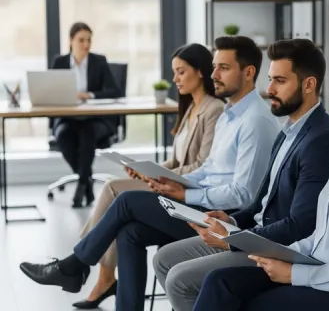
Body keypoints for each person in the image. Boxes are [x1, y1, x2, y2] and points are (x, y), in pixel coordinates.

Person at [19, 35, 280, 311]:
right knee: (130, 232)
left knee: (127, 201)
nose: (213, 74)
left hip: (222, 217)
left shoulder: (255, 121)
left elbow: (244, 194)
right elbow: (209, 170)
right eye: (214, 66)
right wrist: (176, 183)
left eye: (223, 68)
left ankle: (74, 265)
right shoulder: (231, 114)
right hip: (203, 203)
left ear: (249, 72)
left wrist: (187, 194)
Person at [153, 38, 329, 311]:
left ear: (309, 85)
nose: (269, 90)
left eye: (280, 81)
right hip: (252, 233)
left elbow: (302, 224)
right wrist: (231, 219)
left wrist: (235, 239)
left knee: (180, 279)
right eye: (270, 79)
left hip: (280, 250)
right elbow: (260, 202)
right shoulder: (288, 131)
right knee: (164, 258)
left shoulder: (321, 141)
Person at [193, 60, 329, 311]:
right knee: (220, 281)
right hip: (314, 270)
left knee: (251, 304)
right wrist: (278, 254)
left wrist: (295, 274)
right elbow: (320, 237)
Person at [72, 42, 225, 309]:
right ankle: (93, 268)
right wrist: (148, 170)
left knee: (113, 190)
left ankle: (87, 264)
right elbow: (177, 160)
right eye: (174, 72)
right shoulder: (190, 108)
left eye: (180, 72)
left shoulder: (214, 110)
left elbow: (202, 166)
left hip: (188, 195)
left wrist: (160, 176)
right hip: (171, 183)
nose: (174, 79)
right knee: (127, 227)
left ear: (200, 72)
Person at [52, 22, 121, 208]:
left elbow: (115, 91)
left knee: (87, 133)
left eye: (89, 40)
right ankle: (87, 181)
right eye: (81, 40)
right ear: (70, 41)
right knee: (63, 135)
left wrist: (89, 95)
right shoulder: (60, 62)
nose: (86, 44)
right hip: (68, 119)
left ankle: (82, 185)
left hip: (96, 119)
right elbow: (52, 91)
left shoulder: (98, 61)